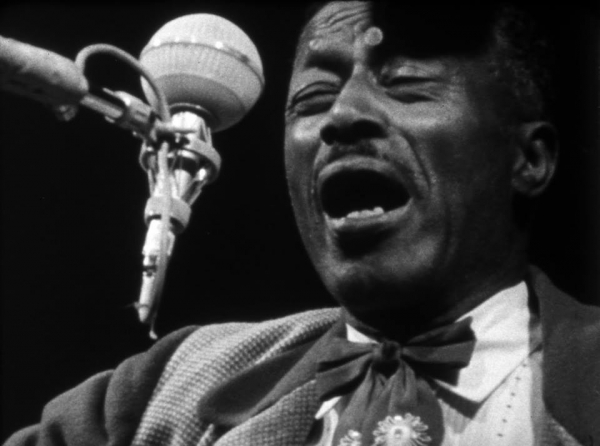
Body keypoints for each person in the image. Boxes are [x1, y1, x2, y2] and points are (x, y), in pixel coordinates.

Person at [4, 2, 599, 446]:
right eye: (313, 98)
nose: (342, 114)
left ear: (529, 159)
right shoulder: (166, 385)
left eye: (406, 84)